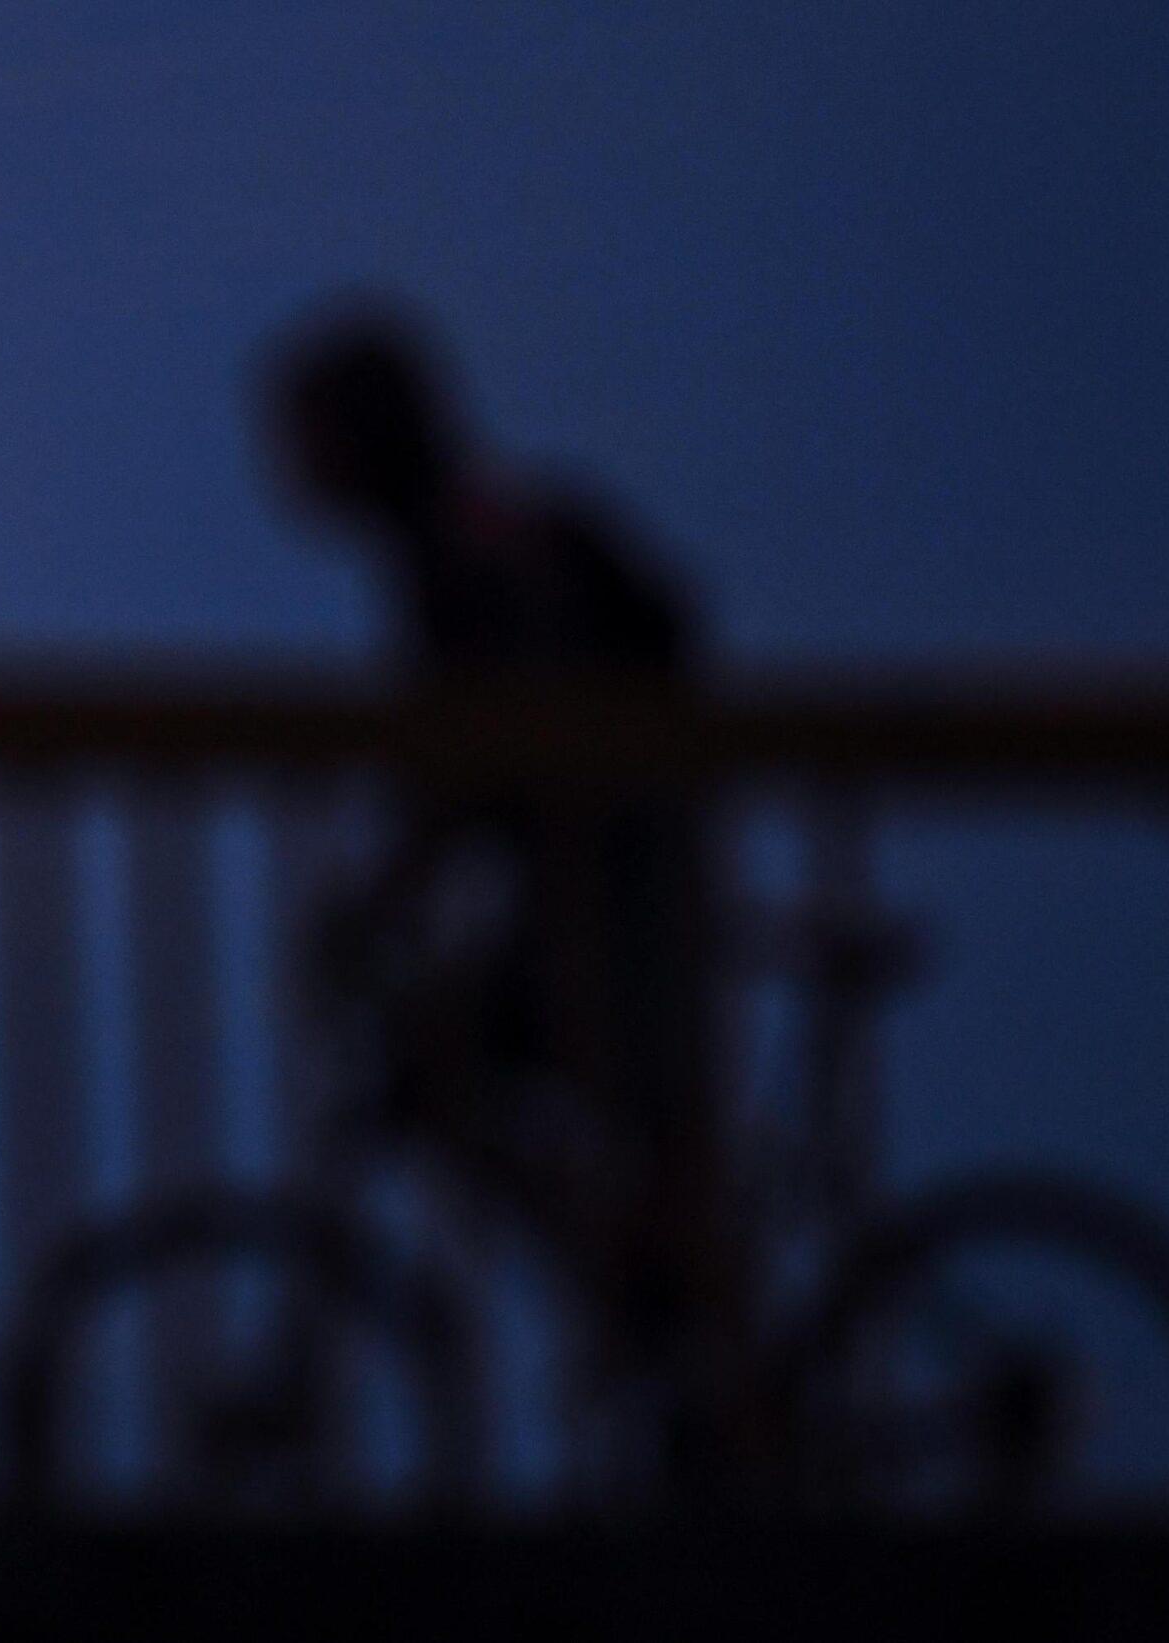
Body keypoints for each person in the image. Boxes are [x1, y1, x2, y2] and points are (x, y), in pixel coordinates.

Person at [266, 307, 735, 1487]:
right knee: (618, 1132)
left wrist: (386, 896)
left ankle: (690, 1346)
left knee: (450, 1072)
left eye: (303, 439)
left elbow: (498, 750)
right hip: (610, 881)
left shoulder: (465, 541)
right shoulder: (460, 538)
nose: (288, 471)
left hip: (613, 888)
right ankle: (673, 1329)